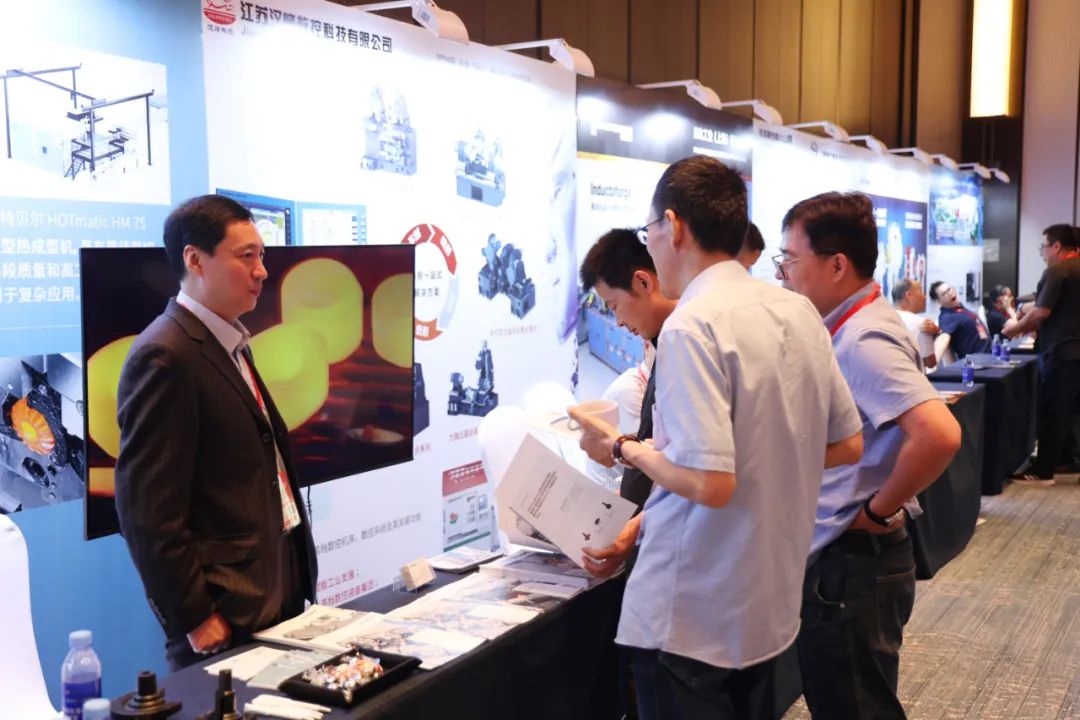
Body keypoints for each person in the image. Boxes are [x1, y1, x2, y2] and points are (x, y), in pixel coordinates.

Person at [571, 156, 864, 720]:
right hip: (766, 602)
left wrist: (622, 447)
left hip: (691, 609)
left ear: (673, 226)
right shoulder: (797, 311)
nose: (652, 245)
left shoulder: (692, 324)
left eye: (650, 231)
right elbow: (847, 444)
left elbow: (710, 483)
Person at [776, 191, 961, 719]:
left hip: (854, 561)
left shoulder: (863, 339)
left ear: (837, 265)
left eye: (790, 259)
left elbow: (939, 434)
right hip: (849, 560)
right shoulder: (853, 325)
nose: (783, 274)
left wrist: (878, 510)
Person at [114, 195, 318, 671]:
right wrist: (194, 615)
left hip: (273, 591)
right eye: (246, 256)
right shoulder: (165, 355)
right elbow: (147, 511)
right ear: (195, 260)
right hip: (224, 614)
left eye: (262, 255)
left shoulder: (231, 342)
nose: (261, 271)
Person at [579, 227, 678, 514]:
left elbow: (700, 475)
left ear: (643, 282)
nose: (619, 322)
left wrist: (618, 446)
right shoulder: (666, 342)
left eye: (614, 306)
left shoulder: (685, 344)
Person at [1003, 224, 1080, 485]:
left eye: (1043, 247)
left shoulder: (1058, 271)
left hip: (1062, 352)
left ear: (1056, 246)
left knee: (1053, 411)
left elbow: (1041, 311)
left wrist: (1015, 329)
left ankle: (1044, 471)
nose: (1043, 254)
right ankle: (1066, 459)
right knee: (1073, 412)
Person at [929, 280, 991, 358]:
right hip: (978, 360)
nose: (950, 293)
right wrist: (932, 361)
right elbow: (943, 337)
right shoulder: (947, 317)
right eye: (944, 294)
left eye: (949, 289)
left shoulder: (958, 308)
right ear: (938, 301)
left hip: (988, 355)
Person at [891, 278, 940, 368]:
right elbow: (930, 363)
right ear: (909, 295)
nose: (924, 297)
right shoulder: (923, 324)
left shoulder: (883, 320)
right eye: (921, 291)